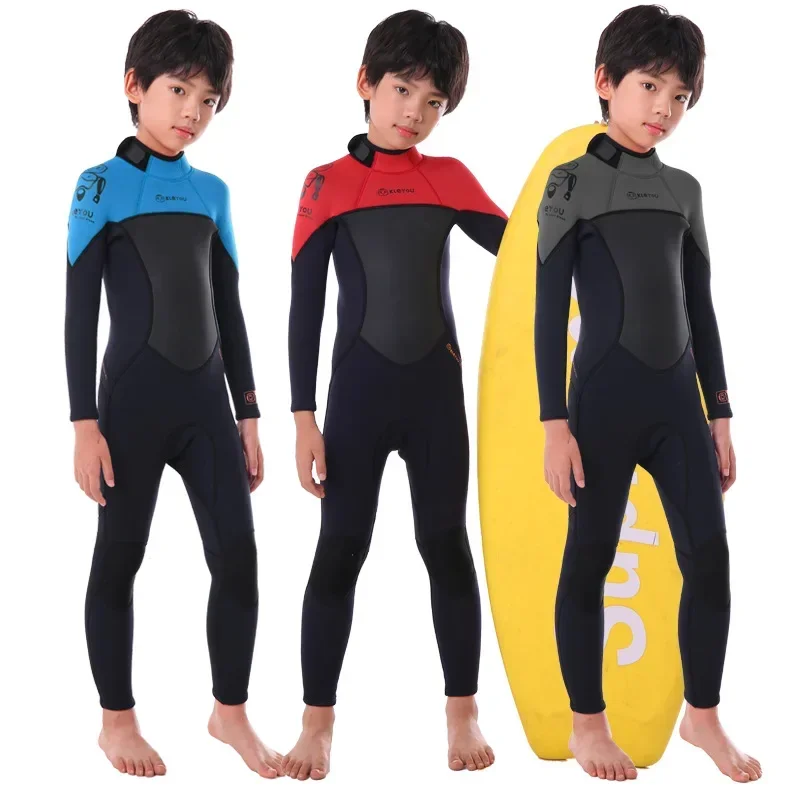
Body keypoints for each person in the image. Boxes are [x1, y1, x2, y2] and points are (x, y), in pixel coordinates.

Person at [534, 4, 761, 783]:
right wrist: (553, 424)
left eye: (680, 95)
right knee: (588, 560)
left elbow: (702, 309)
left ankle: (703, 717)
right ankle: (587, 725)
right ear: (605, 81)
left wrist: (720, 414)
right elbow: (547, 311)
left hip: (677, 409)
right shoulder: (570, 183)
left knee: (711, 559)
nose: (664, 107)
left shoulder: (684, 190)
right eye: (650, 86)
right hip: (600, 405)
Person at [283, 9, 507, 780]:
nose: (415, 112)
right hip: (357, 398)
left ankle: (463, 711)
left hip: (435, 394)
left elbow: (527, 254)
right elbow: (305, 306)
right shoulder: (327, 184)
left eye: (433, 101)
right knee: (339, 550)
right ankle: (316, 722)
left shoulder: (449, 178)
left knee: (446, 545)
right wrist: (303, 417)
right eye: (403, 89)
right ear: (366, 83)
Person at [66, 10, 282, 779]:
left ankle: (230, 713)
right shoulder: (100, 185)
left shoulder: (211, 192)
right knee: (120, 559)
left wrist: (249, 414)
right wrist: (83, 425)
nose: (194, 111)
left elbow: (230, 309)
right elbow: (79, 313)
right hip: (129, 407)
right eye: (179, 90)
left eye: (209, 99)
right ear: (135, 86)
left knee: (239, 559)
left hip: (207, 410)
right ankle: (116, 722)